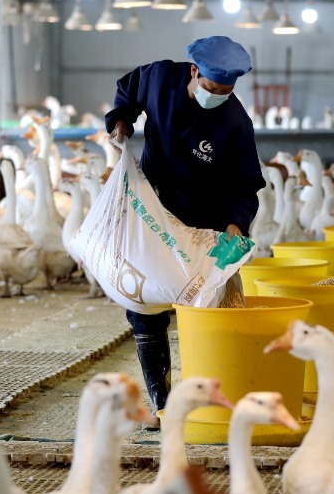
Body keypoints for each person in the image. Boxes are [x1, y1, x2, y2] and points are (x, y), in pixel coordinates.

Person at [106, 36, 266, 419]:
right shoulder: (160, 77)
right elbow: (127, 90)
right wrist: (122, 120)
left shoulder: (235, 122)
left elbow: (246, 185)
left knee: (215, 304)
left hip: (204, 220)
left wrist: (235, 225)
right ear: (194, 72)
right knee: (144, 303)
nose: (219, 96)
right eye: (213, 89)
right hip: (155, 210)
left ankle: (218, 399)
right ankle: (162, 404)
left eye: (227, 91)